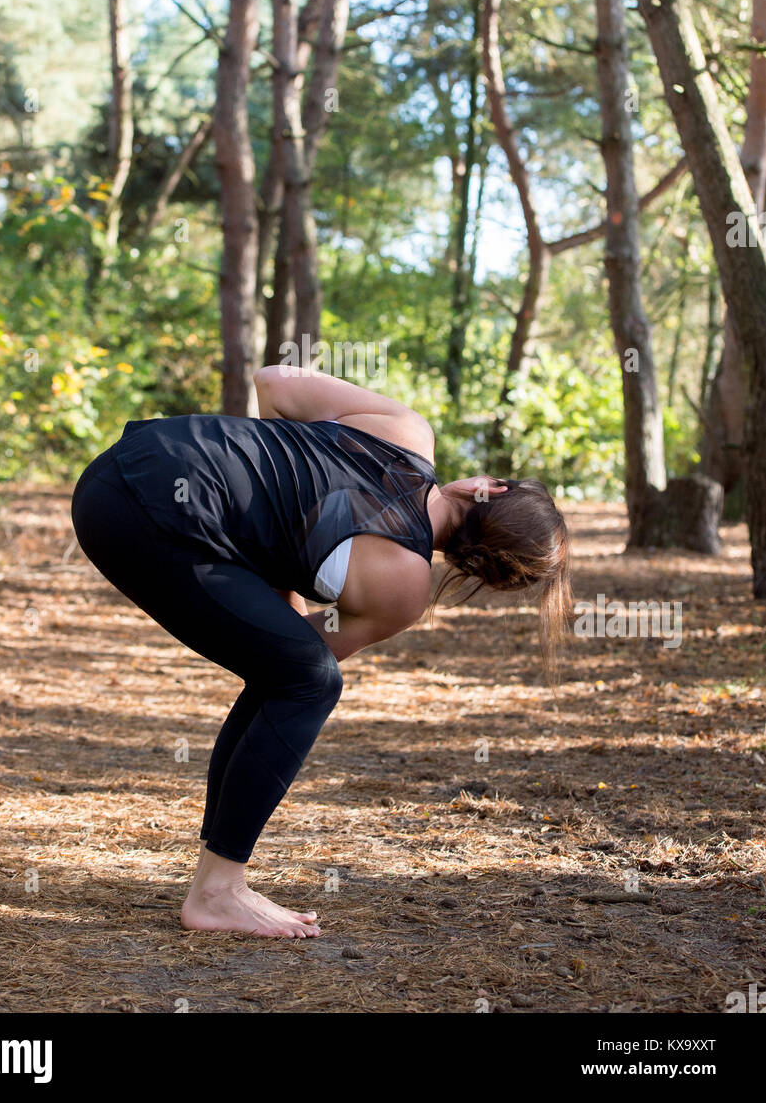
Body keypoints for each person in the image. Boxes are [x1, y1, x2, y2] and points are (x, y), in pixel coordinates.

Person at [70, 364, 571, 938]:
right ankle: (217, 890)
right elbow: (307, 647)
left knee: (293, 673)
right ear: (486, 570)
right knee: (310, 681)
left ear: (490, 488)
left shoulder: (405, 430)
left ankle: (218, 880)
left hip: (120, 471)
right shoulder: (402, 588)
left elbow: (273, 381)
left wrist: (262, 492)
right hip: (148, 520)